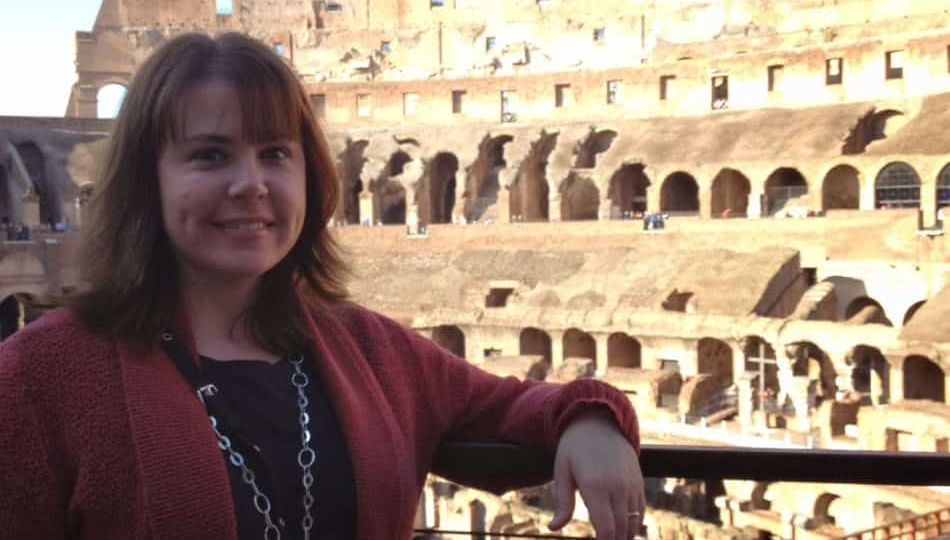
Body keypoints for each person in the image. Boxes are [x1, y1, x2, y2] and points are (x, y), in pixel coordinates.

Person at [0, 33, 644, 539]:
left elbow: (508, 408)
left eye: (276, 153)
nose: (250, 183)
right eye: (210, 155)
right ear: (148, 182)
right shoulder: (39, 377)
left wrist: (590, 416)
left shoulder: (368, 348)